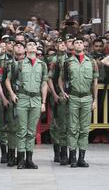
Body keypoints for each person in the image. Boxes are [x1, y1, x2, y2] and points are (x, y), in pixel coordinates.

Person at [6, 39, 48, 169]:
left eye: (34, 45)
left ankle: (29, 159)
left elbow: (44, 83)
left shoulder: (42, 65)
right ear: (25, 50)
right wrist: (12, 94)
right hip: (23, 98)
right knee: (21, 130)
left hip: (36, 99)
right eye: (29, 44)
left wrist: (44, 102)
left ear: (36, 48)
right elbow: (7, 80)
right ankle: (21, 159)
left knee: (31, 131)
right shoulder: (18, 64)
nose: (32, 46)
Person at [60, 37, 99, 168]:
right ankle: (72, 157)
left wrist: (95, 99)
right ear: (73, 45)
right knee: (72, 128)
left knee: (84, 129)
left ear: (84, 45)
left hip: (87, 98)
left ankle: (82, 157)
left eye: (81, 42)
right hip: (73, 97)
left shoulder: (91, 62)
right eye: (76, 42)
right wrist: (63, 91)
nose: (79, 44)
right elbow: (61, 79)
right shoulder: (67, 62)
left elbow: (95, 82)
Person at [47, 37, 69, 165]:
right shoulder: (52, 59)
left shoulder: (70, 59)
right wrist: (54, 94)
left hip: (68, 93)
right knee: (56, 123)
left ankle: (65, 150)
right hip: (56, 93)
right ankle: (57, 150)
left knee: (67, 122)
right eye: (59, 43)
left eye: (63, 43)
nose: (62, 45)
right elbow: (48, 78)